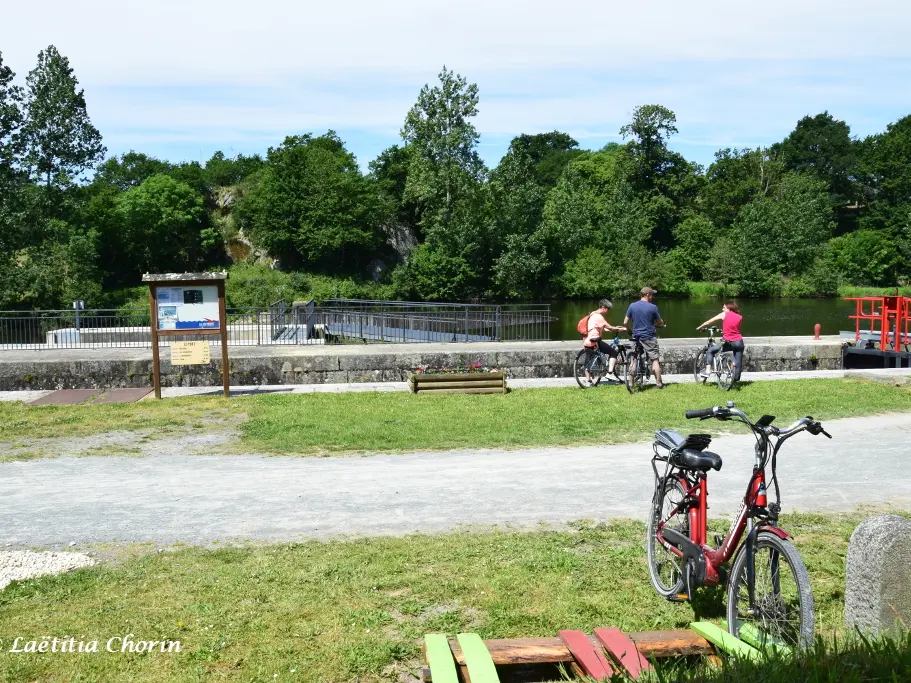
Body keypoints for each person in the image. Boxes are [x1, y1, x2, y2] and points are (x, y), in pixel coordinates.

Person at [623, 287, 667, 389]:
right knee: (654, 360)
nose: (652, 296)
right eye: (651, 294)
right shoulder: (653, 307)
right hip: (649, 337)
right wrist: (660, 324)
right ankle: (659, 384)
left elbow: (625, 322)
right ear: (647, 295)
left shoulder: (632, 306)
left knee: (634, 359)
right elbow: (660, 322)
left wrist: (629, 330)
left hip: (636, 336)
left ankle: (631, 383)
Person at [697, 301, 744, 381]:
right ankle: (735, 378)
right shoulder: (740, 317)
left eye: (724, 307)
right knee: (738, 360)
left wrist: (699, 327)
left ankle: (707, 371)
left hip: (727, 341)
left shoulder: (724, 314)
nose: (722, 309)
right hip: (739, 341)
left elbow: (709, 322)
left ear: (729, 308)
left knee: (710, 350)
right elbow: (734, 328)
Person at [584, 298, 627, 382]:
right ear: (603, 307)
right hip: (596, 340)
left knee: (588, 361)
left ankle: (588, 381)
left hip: (588, 340)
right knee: (613, 353)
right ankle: (609, 373)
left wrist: (615, 328)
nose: (607, 311)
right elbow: (610, 327)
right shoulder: (599, 317)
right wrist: (621, 329)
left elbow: (600, 327)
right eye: (607, 309)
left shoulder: (592, 314)